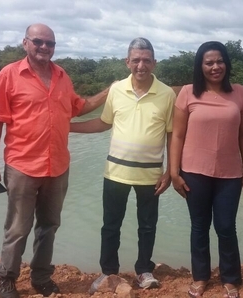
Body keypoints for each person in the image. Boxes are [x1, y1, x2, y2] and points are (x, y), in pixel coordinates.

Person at [0, 23, 110, 298]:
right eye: (38, 41)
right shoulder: (10, 75)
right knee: (17, 227)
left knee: (49, 225)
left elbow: (79, 107)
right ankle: (6, 278)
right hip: (22, 165)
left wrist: (112, 90)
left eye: (50, 43)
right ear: (25, 43)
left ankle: (41, 277)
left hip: (58, 165)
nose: (44, 47)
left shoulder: (62, 76)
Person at [69, 37, 176, 293]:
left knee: (147, 225)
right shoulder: (116, 90)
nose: (141, 65)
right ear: (127, 62)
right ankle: (108, 272)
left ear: (155, 63)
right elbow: (104, 123)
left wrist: (171, 170)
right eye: (136, 60)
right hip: (115, 171)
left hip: (151, 174)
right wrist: (68, 128)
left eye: (146, 60)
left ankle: (144, 270)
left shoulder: (167, 94)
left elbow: (172, 134)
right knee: (110, 225)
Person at [170, 41, 243, 298]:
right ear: (200, 66)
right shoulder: (187, 93)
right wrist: (174, 172)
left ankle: (230, 278)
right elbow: (177, 136)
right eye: (209, 62)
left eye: (220, 61)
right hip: (194, 172)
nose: (215, 67)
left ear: (227, 64)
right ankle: (201, 277)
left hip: (230, 174)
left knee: (226, 226)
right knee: (199, 226)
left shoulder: (239, 93)